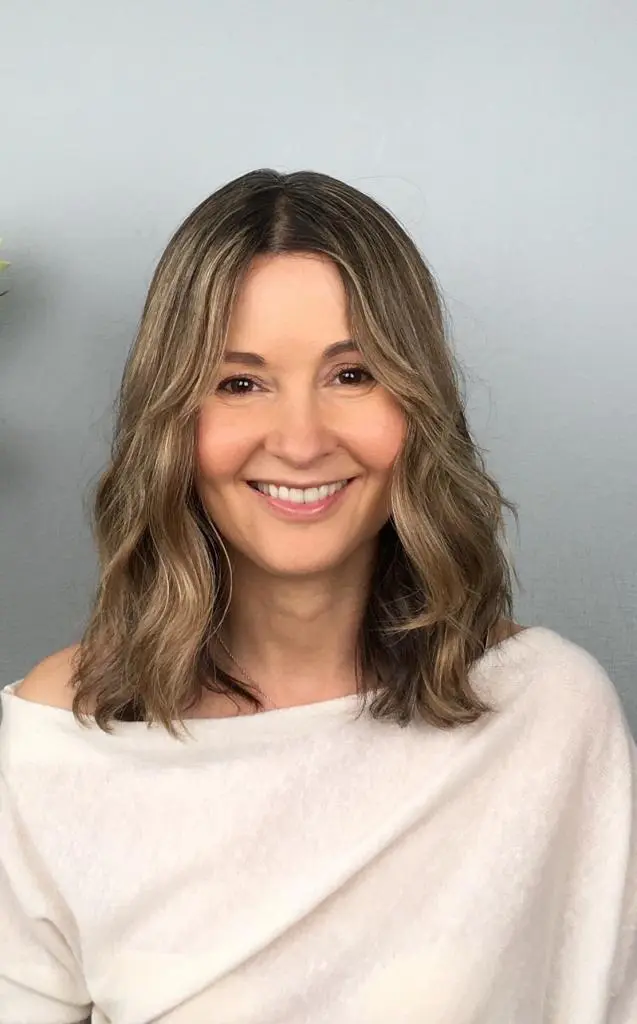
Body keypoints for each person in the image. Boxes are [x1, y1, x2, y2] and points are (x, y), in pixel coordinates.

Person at [0, 169, 634, 1023]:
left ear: (417, 405)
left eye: (351, 375)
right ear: (171, 422)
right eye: (239, 383)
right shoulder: (53, 748)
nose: (300, 442)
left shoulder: (547, 713)